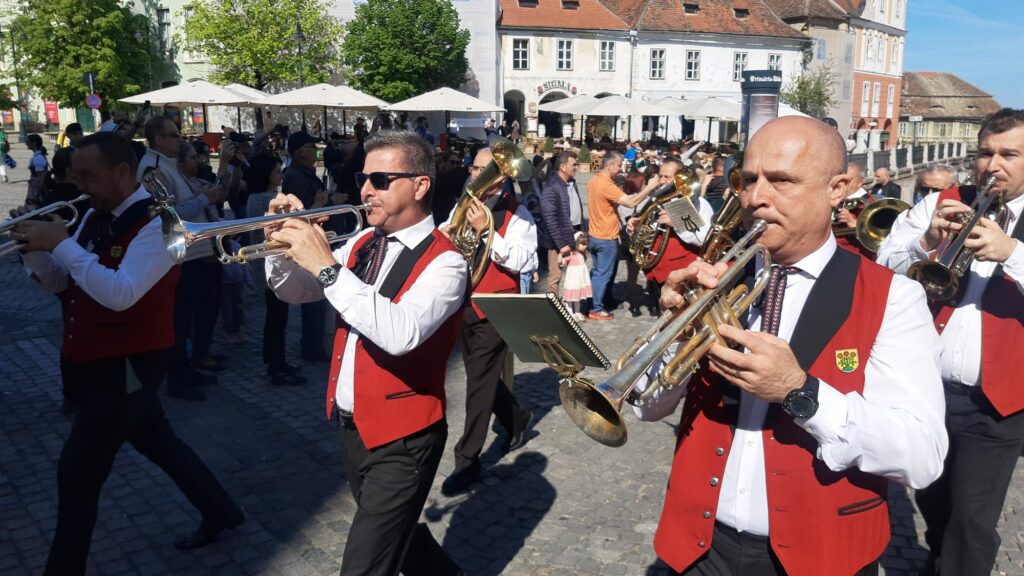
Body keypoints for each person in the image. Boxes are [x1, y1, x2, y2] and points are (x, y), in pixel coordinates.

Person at [633, 116, 947, 575]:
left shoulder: (893, 297)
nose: (755, 198)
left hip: (822, 555)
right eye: (749, 179)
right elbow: (646, 407)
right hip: (700, 549)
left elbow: (922, 455)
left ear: (836, 188)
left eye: (781, 180)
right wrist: (675, 331)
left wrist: (801, 393)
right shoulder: (718, 278)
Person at [13, 132, 244, 576]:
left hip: (131, 365)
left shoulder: (159, 225)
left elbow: (122, 294)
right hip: (99, 362)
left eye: (88, 175)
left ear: (121, 172)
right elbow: (61, 281)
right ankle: (222, 511)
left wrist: (60, 242)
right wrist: (35, 248)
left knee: (77, 474)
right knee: (160, 444)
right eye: (76, 175)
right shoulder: (94, 216)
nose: (80, 185)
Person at [266, 130, 464, 575]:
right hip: (353, 426)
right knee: (401, 535)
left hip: (405, 437)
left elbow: (401, 333)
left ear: (419, 185)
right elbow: (295, 292)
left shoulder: (446, 261)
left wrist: (326, 265)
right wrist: (281, 249)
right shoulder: (361, 243)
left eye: (379, 178)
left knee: (364, 563)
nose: (365, 190)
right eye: (362, 177)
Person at [876, 108, 1024, 576]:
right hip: (928, 389)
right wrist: (925, 240)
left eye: (1009, 154)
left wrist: (1013, 253)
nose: (992, 165)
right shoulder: (944, 201)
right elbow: (883, 264)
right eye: (985, 153)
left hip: (999, 403)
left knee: (971, 520)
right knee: (934, 502)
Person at [439, 146, 538, 496]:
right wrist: (446, 237)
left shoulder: (519, 213)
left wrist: (488, 232)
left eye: (485, 170)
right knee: (479, 376)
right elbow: (446, 233)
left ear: (500, 179)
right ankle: (516, 416)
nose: (476, 175)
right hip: (462, 302)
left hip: (496, 309)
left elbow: (524, 261)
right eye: (475, 168)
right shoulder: (463, 205)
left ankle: (467, 459)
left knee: (477, 384)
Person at [139, 117, 225, 400]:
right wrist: (205, 200)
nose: (180, 139)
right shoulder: (153, 168)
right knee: (179, 321)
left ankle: (186, 370)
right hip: (179, 255)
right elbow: (167, 213)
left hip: (192, 252)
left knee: (187, 317)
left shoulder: (166, 164)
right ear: (159, 139)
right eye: (174, 135)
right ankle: (177, 380)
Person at [244, 154, 305, 386]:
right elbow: (288, 228)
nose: (281, 175)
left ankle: (274, 361)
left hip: (265, 263)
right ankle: (277, 368)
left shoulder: (255, 197)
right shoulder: (267, 199)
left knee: (275, 319)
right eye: (277, 171)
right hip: (271, 265)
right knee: (277, 320)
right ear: (266, 174)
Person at [628, 157, 713, 311]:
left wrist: (677, 224)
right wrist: (636, 227)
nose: (661, 181)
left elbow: (705, 239)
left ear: (679, 179)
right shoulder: (658, 201)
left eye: (667, 177)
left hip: (685, 276)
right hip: (657, 274)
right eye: (660, 176)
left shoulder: (695, 203)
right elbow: (649, 231)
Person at [281, 131, 330, 363]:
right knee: (314, 297)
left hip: (317, 239)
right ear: (301, 151)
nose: (317, 150)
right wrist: (320, 204)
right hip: (310, 242)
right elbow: (300, 215)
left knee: (318, 298)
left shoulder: (304, 173)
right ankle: (312, 347)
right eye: (312, 146)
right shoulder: (297, 177)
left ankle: (314, 343)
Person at [587, 151, 653, 320]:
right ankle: (596, 308)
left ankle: (596, 301)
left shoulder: (594, 180)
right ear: (609, 165)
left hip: (595, 234)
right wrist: (651, 187)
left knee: (597, 272)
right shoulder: (606, 185)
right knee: (603, 274)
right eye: (618, 165)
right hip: (605, 237)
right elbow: (631, 202)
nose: (620, 168)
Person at [539, 151, 578, 295]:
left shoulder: (568, 183)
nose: (576, 168)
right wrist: (561, 245)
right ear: (562, 167)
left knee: (574, 276)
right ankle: (554, 310)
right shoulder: (552, 187)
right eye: (573, 165)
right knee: (555, 277)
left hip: (570, 236)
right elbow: (550, 219)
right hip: (557, 243)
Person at [832, 163, 877, 258]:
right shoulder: (833, 198)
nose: (842, 185)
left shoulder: (870, 204)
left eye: (848, 181)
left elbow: (878, 238)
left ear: (860, 183)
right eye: (841, 180)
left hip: (857, 257)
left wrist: (853, 223)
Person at [562, 232, 592, 320]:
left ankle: (577, 311)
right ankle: (570, 311)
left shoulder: (582, 255)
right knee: (571, 296)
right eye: (582, 244)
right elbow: (564, 260)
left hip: (580, 278)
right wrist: (562, 260)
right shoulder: (572, 254)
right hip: (573, 278)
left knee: (578, 295)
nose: (585, 246)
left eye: (586, 244)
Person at [25, 133, 50, 207]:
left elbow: (41, 177)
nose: (26, 144)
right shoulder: (37, 156)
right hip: (34, 185)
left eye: (28, 142)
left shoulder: (38, 158)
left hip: (36, 187)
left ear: (34, 143)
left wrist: (40, 192)